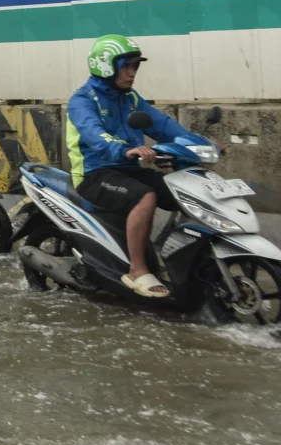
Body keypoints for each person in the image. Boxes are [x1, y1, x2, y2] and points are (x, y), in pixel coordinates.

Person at [68, 35, 203, 299]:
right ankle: (137, 270)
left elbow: (163, 126)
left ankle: (188, 264)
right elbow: (93, 134)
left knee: (186, 189)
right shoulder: (83, 100)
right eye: (126, 66)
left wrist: (199, 144)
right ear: (106, 66)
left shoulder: (130, 98)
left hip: (129, 169)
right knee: (146, 196)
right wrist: (124, 149)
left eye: (135, 66)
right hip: (95, 174)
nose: (132, 73)